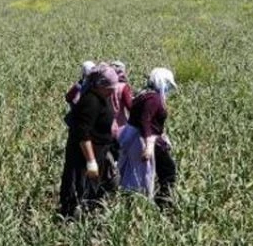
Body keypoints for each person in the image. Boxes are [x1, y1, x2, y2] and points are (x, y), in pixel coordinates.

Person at [59, 66, 118, 218]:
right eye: (110, 88)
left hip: (98, 150)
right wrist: (91, 161)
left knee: (95, 187)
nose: (113, 91)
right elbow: (82, 133)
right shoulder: (90, 101)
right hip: (83, 156)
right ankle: (72, 219)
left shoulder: (100, 97)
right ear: (100, 85)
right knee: (79, 188)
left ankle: (87, 215)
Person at [118, 68, 178, 206]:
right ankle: (163, 203)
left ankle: (146, 202)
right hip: (148, 140)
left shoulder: (145, 93)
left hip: (139, 139)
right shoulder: (153, 99)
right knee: (167, 171)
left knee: (139, 173)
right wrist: (149, 145)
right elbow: (146, 120)